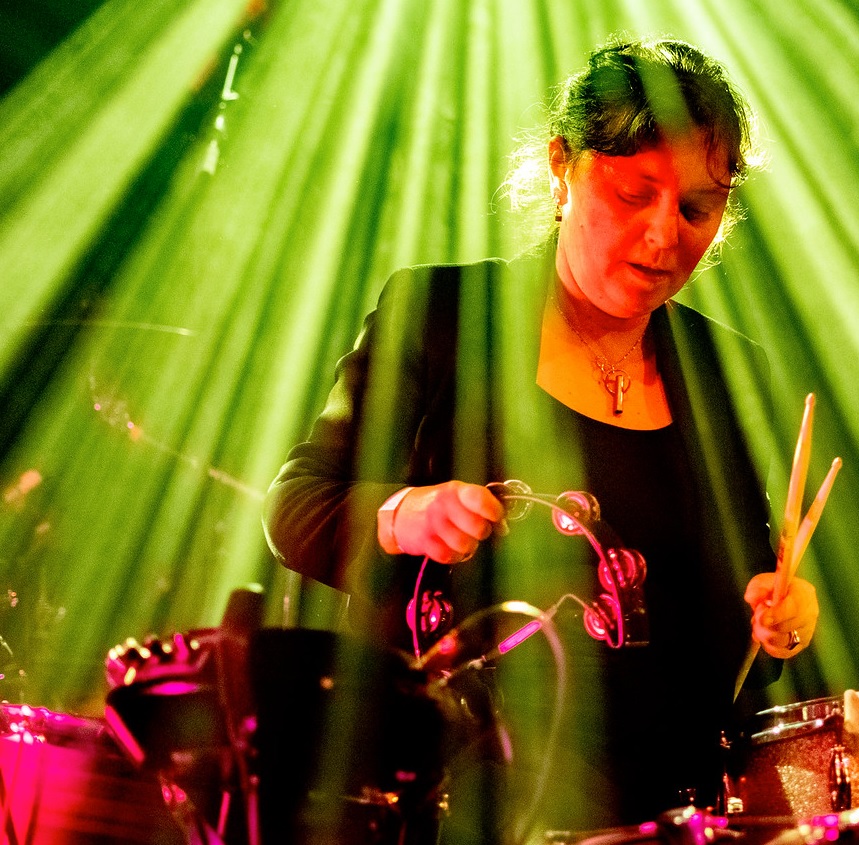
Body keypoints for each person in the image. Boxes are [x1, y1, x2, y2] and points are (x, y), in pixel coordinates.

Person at [263, 36, 819, 844]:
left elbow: (736, 630)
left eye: (695, 210)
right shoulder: (441, 316)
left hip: (659, 815)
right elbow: (293, 508)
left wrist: (782, 620)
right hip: (444, 801)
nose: (663, 237)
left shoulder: (723, 372)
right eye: (634, 194)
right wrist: (403, 515)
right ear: (563, 166)